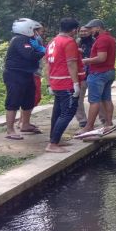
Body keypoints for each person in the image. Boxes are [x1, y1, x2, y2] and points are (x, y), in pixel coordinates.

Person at [44, 18, 84, 153]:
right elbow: (71, 63)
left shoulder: (52, 42)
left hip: (55, 81)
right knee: (68, 112)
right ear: (74, 30)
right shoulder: (69, 42)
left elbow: (47, 64)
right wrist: (76, 83)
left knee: (58, 111)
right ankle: (52, 144)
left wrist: (48, 83)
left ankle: (54, 138)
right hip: (66, 82)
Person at [3, 18, 46, 140]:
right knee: (13, 101)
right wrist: (44, 51)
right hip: (14, 74)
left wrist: (40, 49)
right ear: (27, 29)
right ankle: (10, 130)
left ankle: (25, 125)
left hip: (27, 74)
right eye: (34, 29)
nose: (36, 32)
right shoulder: (19, 40)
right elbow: (30, 56)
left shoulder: (29, 40)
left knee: (29, 100)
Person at [79, 19, 116, 134]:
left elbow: (101, 58)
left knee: (94, 101)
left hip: (99, 73)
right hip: (109, 71)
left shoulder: (102, 40)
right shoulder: (110, 38)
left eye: (91, 29)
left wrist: (86, 61)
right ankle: (109, 123)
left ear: (98, 28)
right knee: (106, 98)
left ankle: (89, 127)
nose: (90, 31)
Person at [75, 25, 104, 128]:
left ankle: (103, 117)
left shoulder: (95, 41)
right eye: (81, 31)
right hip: (81, 74)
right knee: (78, 98)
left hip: (93, 73)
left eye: (85, 31)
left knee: (97, 97)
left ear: (90, 32)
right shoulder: (76, 42)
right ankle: (82, 119)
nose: (83, 33)